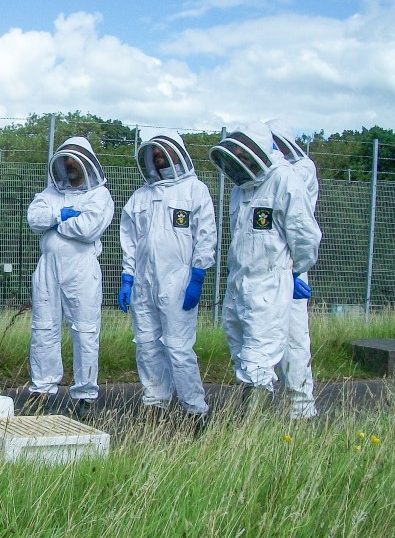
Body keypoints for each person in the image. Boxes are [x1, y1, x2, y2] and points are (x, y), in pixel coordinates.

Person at [208, 122, 321, 407]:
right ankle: (259, 424)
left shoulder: (285, 180)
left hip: (272, 280)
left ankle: (260, 424)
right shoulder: (241, 189)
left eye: (245, 155)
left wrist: (294, 272)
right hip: (240, 280)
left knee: (262, 355)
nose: (241, 161)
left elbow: (306, 236)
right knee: (243, 352)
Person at [118, 131, 217, 423]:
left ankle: (194, 411)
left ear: (178, 152)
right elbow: (130, 240)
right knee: (147, 344)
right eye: (154, 152)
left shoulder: (194, 190)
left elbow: (205, 235)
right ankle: (155, 405)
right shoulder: (140, 196)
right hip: (143, 284)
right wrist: (127, 278)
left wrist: (198, 275)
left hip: (178, 282)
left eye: (163, 151)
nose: (158, 156)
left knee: (178, 347)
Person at [25, 136, 114, 419]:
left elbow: (89, 228)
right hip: (47, 267)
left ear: (88, 163)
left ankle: (86, 395)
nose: (71, 164)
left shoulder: (99, 195)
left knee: (85, 331)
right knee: (43, 329)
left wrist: (56, 223)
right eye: (67, 159)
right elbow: (34, 218)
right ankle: (42, 390)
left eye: (76, 159)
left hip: (82, 269)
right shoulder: (51, 192)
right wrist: (61, 214)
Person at [267, 119, 321, 420]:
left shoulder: (302, 170)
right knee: (261, 341)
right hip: (267, 268)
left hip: (291, 266)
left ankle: (301, 408)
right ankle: (266, 404)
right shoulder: (266, 176)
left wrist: (299, 271)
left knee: (295, 339)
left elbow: (301, 228)